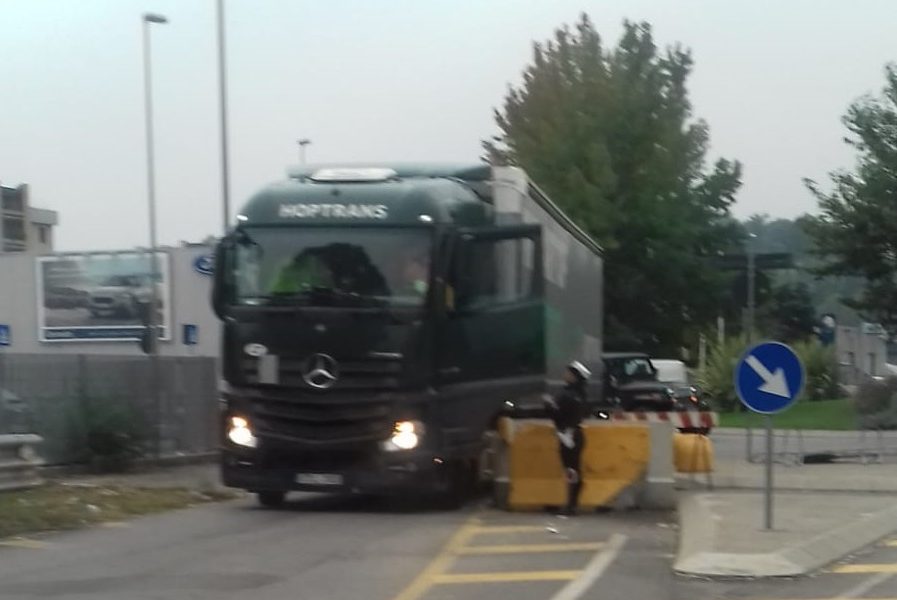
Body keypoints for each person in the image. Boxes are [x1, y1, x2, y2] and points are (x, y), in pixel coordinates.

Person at [544, 360, 591, 516]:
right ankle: (571, 503)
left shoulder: (569, 395)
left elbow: (559, 416)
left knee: (571, 470)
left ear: (575, 377)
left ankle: (571, 504)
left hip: (569, 436)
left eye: (569, 373)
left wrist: (549, 406)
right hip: (572, 434)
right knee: (571, 469)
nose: (565, 375)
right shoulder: (579, 395)